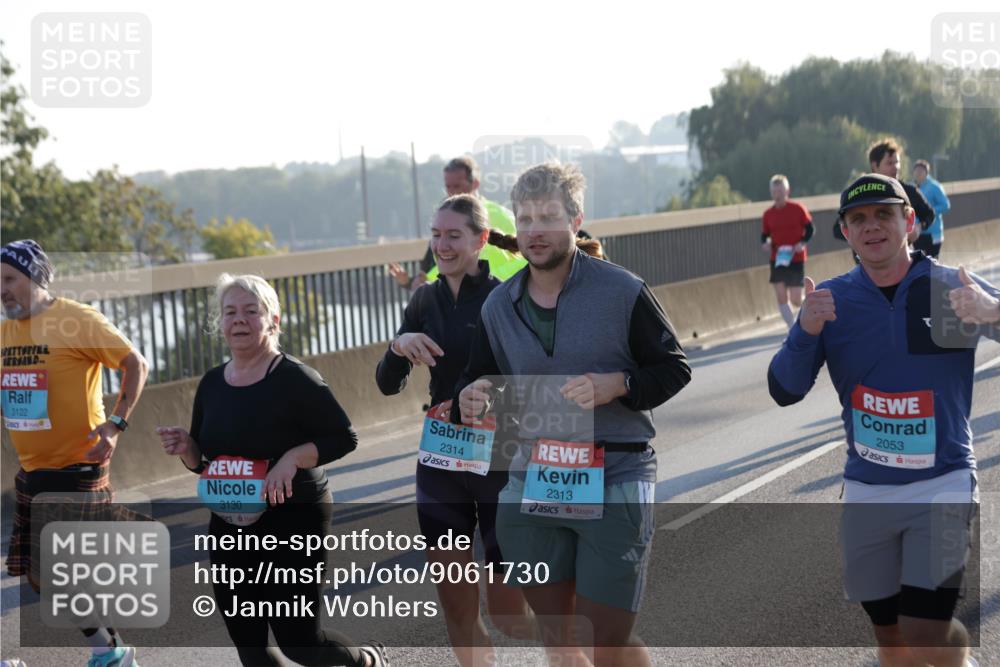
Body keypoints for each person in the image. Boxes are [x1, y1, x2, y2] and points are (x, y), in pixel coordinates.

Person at [452, 162, 692, 667]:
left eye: (548, 217)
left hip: (617, 472)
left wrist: (620, 384)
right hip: (536, 478)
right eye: (525, 219)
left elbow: (673, 369)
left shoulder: (623, 291)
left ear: (575, 219)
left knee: (608, 639)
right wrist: (469, 400)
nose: (535, 230)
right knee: (560, 640)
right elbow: (478, 381)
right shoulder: (498, 306)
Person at [767, 174, 998, 667]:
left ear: (908, 222)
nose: (872, 227)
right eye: (858, 219)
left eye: (884, 215)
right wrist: (806, 332)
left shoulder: (948, 286)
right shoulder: (831, 301)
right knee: (891, 638)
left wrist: (993, 310)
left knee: (921, 628)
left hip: (943, 483)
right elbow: (784, 390)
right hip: (869, 489)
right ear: (846, 233)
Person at [157, 274, 388, 667]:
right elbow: (205, 463)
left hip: (294, 516)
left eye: (251, 311)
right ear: (220, 323)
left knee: (299, 641)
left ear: (274, 321)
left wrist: (292, 458)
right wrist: (187, 447)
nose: (239, 320)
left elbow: (343, 437)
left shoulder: (296, 378)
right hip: (230, 520)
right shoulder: (212, 382)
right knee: (249, 642)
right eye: (230, 312)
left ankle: (365, 662)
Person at [376, 194, 534, 667]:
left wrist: (488, 393)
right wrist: (398, 344)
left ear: (481, 240)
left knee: (509, 613)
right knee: (457, 606)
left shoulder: (506, 298)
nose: (441, 245)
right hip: (442, 459)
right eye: (436, 234)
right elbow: (386, 384)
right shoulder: (424, 298)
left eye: (454, 235)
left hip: (499, 460)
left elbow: (531, 379)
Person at [1, 239, 150, 667]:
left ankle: (112, 649)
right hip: (34, 468)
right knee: (40, 573)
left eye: (10, 279)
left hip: (77, 463)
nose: (2, 290)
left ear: (37, 278)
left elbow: (135, 363)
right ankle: (112, 649)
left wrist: (116, 424)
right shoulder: (5, 331)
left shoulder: (75, 320)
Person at [388, 156, 526, 290]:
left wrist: (493, 283)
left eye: (457, 186)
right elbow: (437, 267)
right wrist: (410, 282)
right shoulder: (445, 218)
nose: (452, 192)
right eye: (448, 186)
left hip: (497, 298)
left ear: (475, 183)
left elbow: (526, 258)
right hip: (460, 300)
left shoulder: (502, 216)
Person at [760, 174, 814, 328]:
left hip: (795, 257)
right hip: (778, 258)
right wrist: (765, 244)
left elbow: (810, 228)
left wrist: (802, 243)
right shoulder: (768, 214)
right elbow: (764, 235)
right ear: (771, 193)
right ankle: (792, 330)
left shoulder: (798, 209)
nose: (777, 195)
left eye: (780, 191)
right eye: (774, 191)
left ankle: (811, 314)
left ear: (787, 191)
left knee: (797, 299)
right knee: (781, 296)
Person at [867, 139, 935, 245]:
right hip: (868, 259)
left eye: (897, 162)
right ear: (875, 166)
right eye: (890, 163)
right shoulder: (862, 193)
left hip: (901, 258)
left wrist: (918, 228)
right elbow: (839, 228)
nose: (896, 167)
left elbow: (929, 214)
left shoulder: (909, 191)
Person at [913, 159, 951, 258]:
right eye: (916, 171)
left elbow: (945, 205)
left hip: (933, 233)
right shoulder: (913, 188)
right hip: (918, 232)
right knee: (919, 263)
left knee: (932, 263)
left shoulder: (934, 187)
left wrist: (929, 211)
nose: (918, 174)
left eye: (921, 171)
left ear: (927, 172)